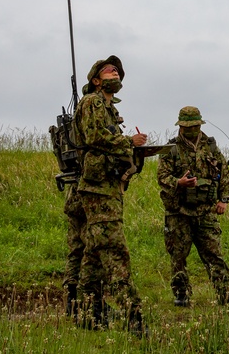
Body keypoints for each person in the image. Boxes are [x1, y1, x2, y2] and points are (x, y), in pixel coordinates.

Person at [65, 55, 147, 336]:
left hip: (106, 187)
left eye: (117, 71)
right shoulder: (92, 102)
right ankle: (133, 317)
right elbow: (95, 136)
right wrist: (128, 142)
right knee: (114, 250)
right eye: (108, 70)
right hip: (97, 188)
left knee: (93, 252)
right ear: (96, 81)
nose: (114, 72)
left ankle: (89, 314)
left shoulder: (108, 107)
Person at [157, 106, 229, 307]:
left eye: (194, 126)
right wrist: (179, 183)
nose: (191, 130)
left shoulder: (210, 147)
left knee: (214, 254)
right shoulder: (171, 149)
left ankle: (226, 294)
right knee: (178, 255)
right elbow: (162, 177)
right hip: (179, 212)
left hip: (205, 211)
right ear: (180, 126)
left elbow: (223, 173)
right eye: (187, 126)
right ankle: (181, 294)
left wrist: (224, 200)